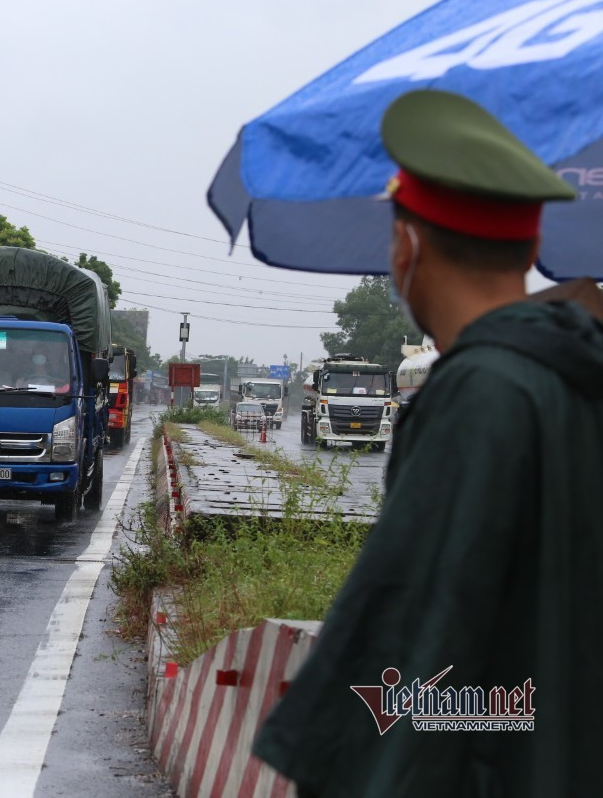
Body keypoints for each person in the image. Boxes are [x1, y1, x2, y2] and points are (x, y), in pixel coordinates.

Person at [252, 89, 603, 797]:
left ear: (404, 245)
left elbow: (416, 654)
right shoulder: (578, 377)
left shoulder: (480, 397)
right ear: (532, 247)